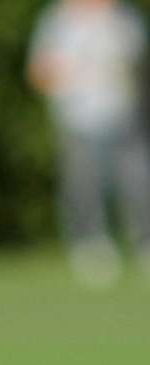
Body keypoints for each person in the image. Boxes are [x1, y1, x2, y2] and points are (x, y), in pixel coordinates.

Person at [27, 0, 150, 287]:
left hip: (124, 116)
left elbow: (138, 64)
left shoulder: (125, 18)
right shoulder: (57, 20)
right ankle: (91, 247)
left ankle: (144, 242)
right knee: (83, 185)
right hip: (77, 117)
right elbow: (39, 72)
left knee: (138, 182)